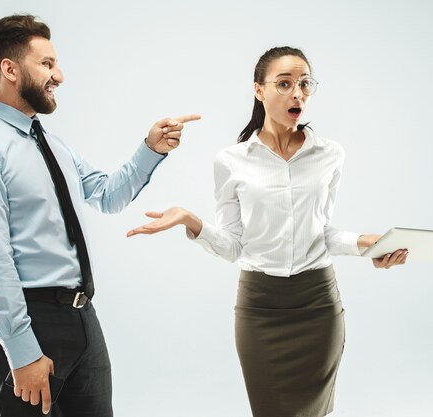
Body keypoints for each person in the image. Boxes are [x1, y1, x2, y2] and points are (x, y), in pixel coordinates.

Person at [0, 14, 199, 417]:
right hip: (30, 321)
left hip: (83, 320)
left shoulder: (53, 145)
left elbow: (107, 195)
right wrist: (23, 351)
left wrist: (152, 148)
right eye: (46, 64)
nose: (58, 75)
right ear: (9, 69)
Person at [127, 46, 406, 417]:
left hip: (317, 304)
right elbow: (232, 246)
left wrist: (366, 244)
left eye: (305, 84)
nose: (298, 93)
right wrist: (189, 220)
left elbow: (320, 232)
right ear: (259, 90)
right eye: (285, 83)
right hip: (260, 308)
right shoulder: (231, 161)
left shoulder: (330, 154)